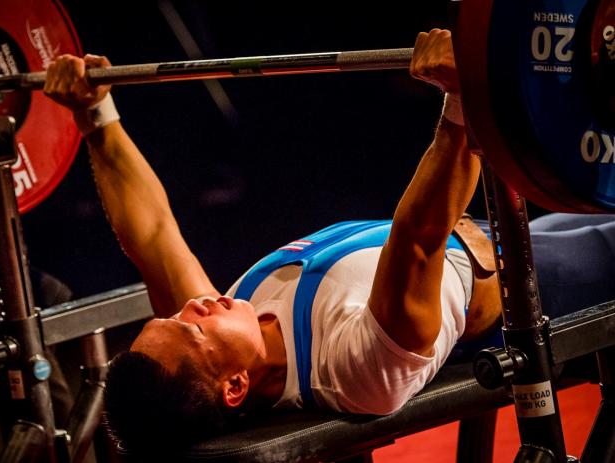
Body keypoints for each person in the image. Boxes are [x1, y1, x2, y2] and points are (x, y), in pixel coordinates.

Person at [43, 29, 615, 458]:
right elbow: (419, 240)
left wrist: (96, 113)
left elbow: (153, 237)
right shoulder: (349, 369)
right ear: (236, 385)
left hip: (505, 235)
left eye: (172, 316)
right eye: (191, 327)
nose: (193, 305)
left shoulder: (236, 322)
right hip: (538, 288)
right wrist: (463, 101)